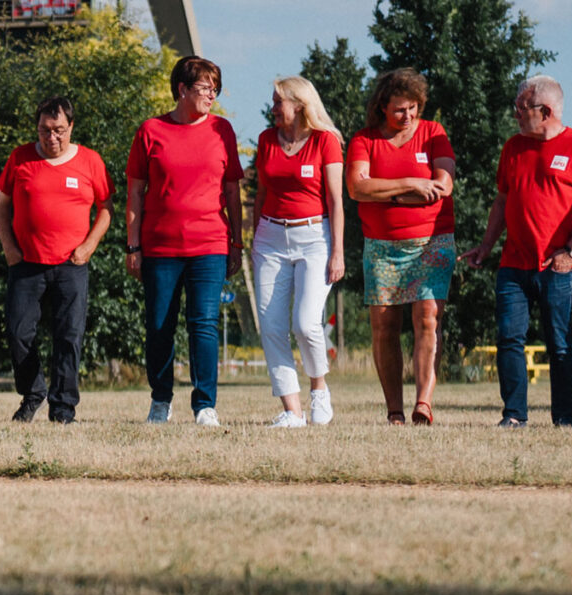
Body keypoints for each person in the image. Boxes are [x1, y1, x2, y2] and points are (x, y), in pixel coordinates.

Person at [462, 75, 572, 429]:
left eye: (521, 107)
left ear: (545, 111)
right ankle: (514, 415)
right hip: (513, 263)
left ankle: (564, 420)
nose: (515, 114)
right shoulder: (513, 147)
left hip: (557, 266)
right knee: (508, 338)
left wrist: (571, 251)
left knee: (559, 343)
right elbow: (502, 200)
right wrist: (487, 245)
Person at [124, 55, 244, 427]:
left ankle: (205, 405)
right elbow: (135, 193)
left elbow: (232, 190)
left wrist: (237, 242)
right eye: (205, 88)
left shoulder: (222, 130)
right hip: (160, 247)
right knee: (159, 325)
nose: (212, 95)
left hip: (210, 243)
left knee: (204, 323)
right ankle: (160, 399)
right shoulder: (151, 130)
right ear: (182, 89)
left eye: (215, 89)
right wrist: (133, 246)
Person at [345, 69, 457, 425]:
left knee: (427, 319)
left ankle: (423, 403)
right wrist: (410, 184)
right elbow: (357, 188)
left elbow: (443, 186)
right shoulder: (364, 140)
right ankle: (394, 409)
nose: (407, 116)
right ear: (382, 107)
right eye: (398, 109)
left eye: (412, 108)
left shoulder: (434, 133)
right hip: (381, 245)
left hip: (432, 242)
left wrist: (385, 193)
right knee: (384, 326)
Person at [0, 96, 111, 423]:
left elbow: (106, 209)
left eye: (59, 129)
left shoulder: (90, 161)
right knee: (18, 332)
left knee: (69, 336)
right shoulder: (20, 158)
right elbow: (1, 205)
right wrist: (9, 248)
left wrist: (88, 246)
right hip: (26, 263)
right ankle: (34, 393)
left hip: (71, 264)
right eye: (45, 130)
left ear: (71, 127)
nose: (52, 137)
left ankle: (63, 407)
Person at [250, 76, 345, 428]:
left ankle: (319, 388)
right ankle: (292, 411)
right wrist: (255, 238)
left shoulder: (325, 141)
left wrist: (338, 252)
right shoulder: (266, 140)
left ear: (300, 105)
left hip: (315, 237)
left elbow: (336, 201)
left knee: (305, 323)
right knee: (271, 326)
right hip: (270, 238)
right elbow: (260, 194)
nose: (273, 108)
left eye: (279, 102)